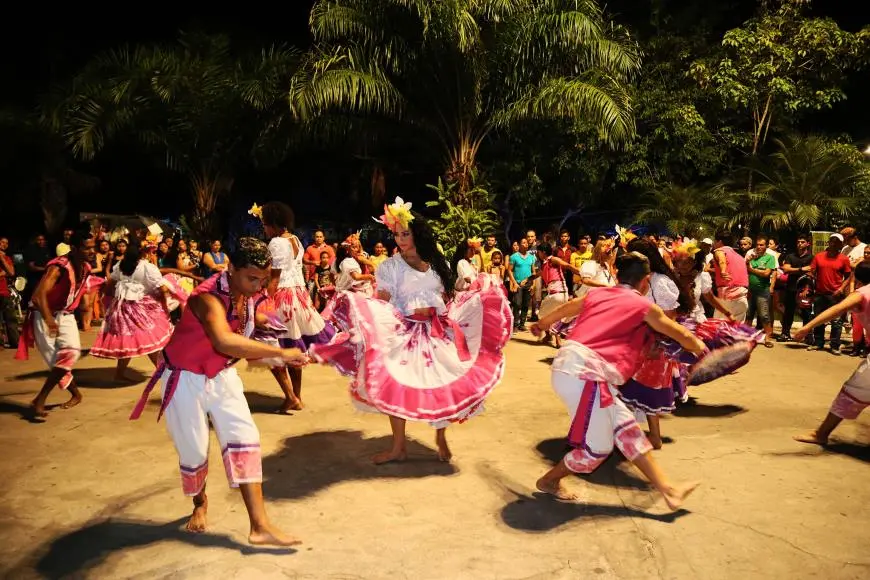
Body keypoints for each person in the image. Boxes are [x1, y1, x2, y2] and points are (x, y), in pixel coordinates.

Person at [129, 238, 307, 545]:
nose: (258, 287)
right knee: (194, 451)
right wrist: (281, 353)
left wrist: (275, 323)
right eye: (252, 278)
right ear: (232, 268)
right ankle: (199, 503)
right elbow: (223, 340)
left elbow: (245, 325)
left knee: (246, 440)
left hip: (222, 376)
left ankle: (259, 525)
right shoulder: (206, 297)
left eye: (263, 280)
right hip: (184, 379)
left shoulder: (245, 294)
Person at [310, 197, 512, 464]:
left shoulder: (438, 263)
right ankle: (398, 447)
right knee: (397, 382)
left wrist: (475, 291)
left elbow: (447, 295)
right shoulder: (390, 266)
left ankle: (440, 436)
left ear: (418, 233)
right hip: (405, 331)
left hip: (438, 330)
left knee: (441, 382)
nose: (400, 239)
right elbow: (382, 298)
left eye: (405, 233)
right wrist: (364, 317)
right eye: (397, 234)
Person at [530, 252, 703, 508]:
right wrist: (704, 350)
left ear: (617, 273)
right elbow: (680, 334)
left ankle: (669, 490)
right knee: (596, 450)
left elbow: (569, 307)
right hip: (586, 375)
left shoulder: (599, 294)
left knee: (627, 430)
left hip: (577, 369)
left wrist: (542, 324)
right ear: (645, 281)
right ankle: (549, 481)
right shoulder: (644, 306)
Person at [17, 224, 100, 418]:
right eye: (87, 248)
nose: (92, 251)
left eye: (93, 247)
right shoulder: (58, 266)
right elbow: (39, 296)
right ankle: (74, 395)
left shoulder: (86, 267)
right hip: (43, 316)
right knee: (57, 361)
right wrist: (48, 319)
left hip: (66, 316)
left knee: (70, 354)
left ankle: (40, 399)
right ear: (75, 249)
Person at [259, 202, 335, 413]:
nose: (264, 228)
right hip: (297, 296)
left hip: (282, 297)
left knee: (271, 348)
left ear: (273, 224)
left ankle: (291, 396)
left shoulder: (275, 243)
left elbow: (275, 278)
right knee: (293, 349)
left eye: (265, 224)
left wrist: (265, 303)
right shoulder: (296, 240)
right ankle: (296, 396)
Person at [794, 264, 870, 446]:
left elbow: (836, 309)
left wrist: (807, 326)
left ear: (855, 278)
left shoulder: (861, 294)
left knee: (851, 391)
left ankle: (821, 434)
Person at [90, 242, 174, 382]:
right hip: (139, 307)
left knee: (128, 341)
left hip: (121, 307)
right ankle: (162, 371)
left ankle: (120, 373)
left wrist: (108, 301)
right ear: (141, 254)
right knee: (148, 338)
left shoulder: (121, 266)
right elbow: (162, 288)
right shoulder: (146, 267)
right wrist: (165, 303)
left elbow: (110, 283)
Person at [809, 234, 852, 354]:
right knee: (819, 319)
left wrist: (841, 288)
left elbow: (848, 276)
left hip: (836, 294)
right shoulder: (818, 257)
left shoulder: (844, 259)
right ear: (828, 242)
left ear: (841, 244)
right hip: (820, 293)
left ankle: (834, 345)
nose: (833, 244)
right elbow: (812, 272)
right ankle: (818, 343)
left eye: (837, 242)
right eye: (832, 241)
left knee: (836, 322)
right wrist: (809, 286)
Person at [778, 234, 814, 343]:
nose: (799, 244)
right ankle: (785, 333)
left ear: (808, 243)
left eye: (802, 242)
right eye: (798, 242)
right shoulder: (790, 256)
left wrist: (793, 269)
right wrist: (802, 269)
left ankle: (808, 336)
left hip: (805, 289)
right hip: (790, 288)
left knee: (806, 313)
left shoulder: (812, 258)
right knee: (788, 312)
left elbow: (811, 272)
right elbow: (786, 269)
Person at [711, 231, 750, 323]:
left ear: (719, 241)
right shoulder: (740, 257)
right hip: (742, 297)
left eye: (715, 241)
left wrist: (723, 270)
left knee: (718, 328)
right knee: (736, 331)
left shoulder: (719, 250)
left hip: (728, 297)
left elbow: (722, 260)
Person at [746, 236, 776, 348]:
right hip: (750, 290)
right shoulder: (751, 257)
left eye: (761, 245)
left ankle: (767, 338)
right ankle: (746, 338)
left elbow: (766, 274)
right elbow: (745, 271)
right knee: (748, 315)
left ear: (766, 246)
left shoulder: (770, 258)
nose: (759, 247)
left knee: (764, 316)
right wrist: (748, 263)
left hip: (763, 291)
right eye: (757, 245)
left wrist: (752, 269)